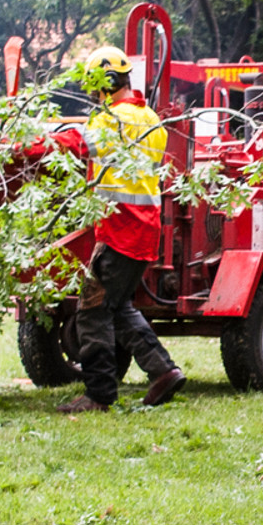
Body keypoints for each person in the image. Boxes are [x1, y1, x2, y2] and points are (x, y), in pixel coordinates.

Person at [59, 46, 186, 413]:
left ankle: (99, 395)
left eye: (95, 89)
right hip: (144, 232)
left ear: (107, 84)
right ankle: (164, 371)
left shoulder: (113, 120)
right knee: (117, 307)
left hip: (119, 230)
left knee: (92, 309)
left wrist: (27, 145)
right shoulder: (150, 120)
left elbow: (78, 144)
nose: (94, 97)